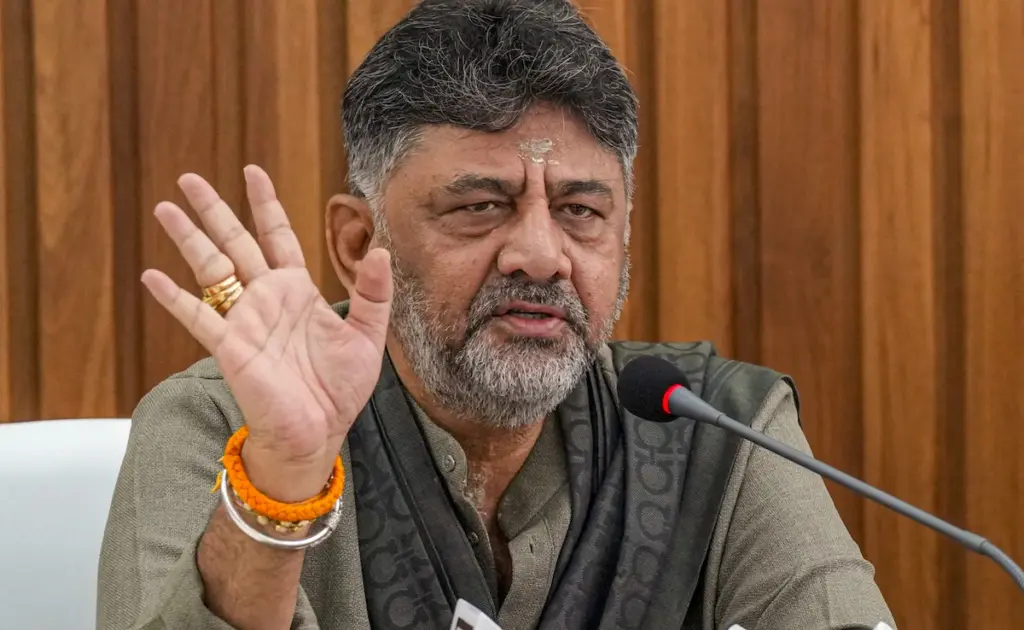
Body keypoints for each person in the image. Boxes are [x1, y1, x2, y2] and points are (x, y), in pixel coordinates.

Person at [98, 1, 895, 628]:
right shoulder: (224, 424)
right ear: (358, 243)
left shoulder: (716, 428)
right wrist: (281, 478)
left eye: (581, 211)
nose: (541, 256)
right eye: (481, 206)